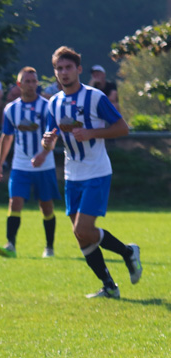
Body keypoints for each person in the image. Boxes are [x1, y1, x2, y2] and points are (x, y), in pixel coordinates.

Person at [42, 46, 141, 299]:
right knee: (80, 235)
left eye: (68, 67)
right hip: (71, 174)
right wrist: (47, 142)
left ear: (79, 69)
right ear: (55, 72)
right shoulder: (54, 102)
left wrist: (92, 132)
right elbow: (51, 137)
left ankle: (127, 252)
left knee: (84, 229)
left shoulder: (95, 97)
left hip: (96, 171)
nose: (63, 73)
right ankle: (109, 286)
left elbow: (122, 128)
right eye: (59, 68)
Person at [0, 67, 59, 259]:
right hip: (20, 165)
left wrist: (43, 155)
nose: (31, 84)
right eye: (27, 81)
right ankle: (11, 245)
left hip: (44, 165)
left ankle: (50, 247)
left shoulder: (47, 107)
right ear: (19, 85)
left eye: (34, 81)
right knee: (15, 202)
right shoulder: (11, 109)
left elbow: (53, 135)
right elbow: (7, 137)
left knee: (46, 206)